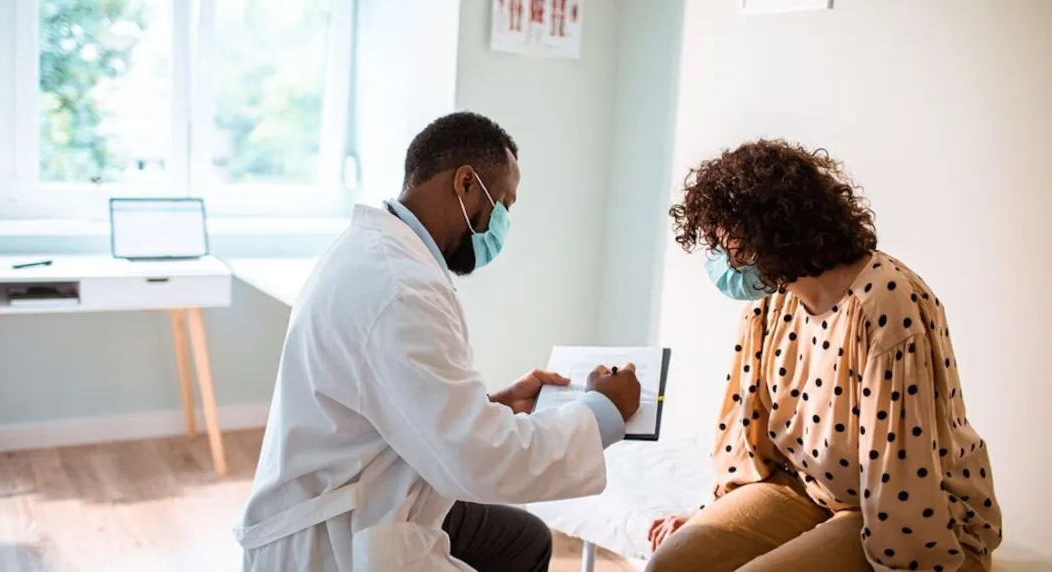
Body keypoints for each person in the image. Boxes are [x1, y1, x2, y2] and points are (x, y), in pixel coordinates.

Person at [233, 111, 642, 572]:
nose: (503, 224)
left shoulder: (378, 251)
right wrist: (602, 411)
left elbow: (400, 400)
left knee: (523, 539)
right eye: (504, 205)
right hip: (335, 536)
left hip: (375, 484)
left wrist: (494, 405)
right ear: (466, 184)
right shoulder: (399, 287)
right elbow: (480, 462)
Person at [647, 139, 1002, 572]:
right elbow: (747, 435)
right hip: (805, 489)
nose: (721, 259)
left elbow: (900, 468)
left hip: (896, 507)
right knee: (672, 564)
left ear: (770, 234)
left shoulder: (885, 304)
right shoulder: (770, 305)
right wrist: (712, 514)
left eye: (726, 242)